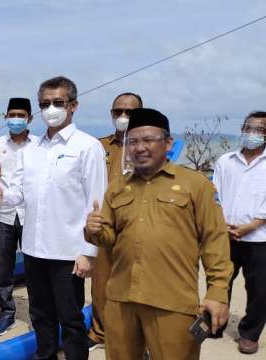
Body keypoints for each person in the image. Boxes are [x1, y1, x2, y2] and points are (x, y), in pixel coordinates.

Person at [85, 108, 232, 360]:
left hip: (172, 301)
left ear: (168, 143)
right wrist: (93, 231)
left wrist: (217, 292)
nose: (139, 148)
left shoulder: (196, 185)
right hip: (121, 298)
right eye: (133, 141)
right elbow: (108, 240)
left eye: (148, 140)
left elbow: (214, 241)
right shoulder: (118, 187)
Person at [0, 76, 107, 360]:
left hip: (68, 252)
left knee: (71, 319)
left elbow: (98, 203)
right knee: (40, 315)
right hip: (32, 248)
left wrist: (89, 252)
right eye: (45, 103)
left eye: (58, 102)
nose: (51, 109)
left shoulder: (87, 146)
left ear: (73, 106)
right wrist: (1, 196)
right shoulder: (32, 149)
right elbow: (21, 192)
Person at [89, 92, 143, 350]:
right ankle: (99, 333)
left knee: (138, 284)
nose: (123, 117)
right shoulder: (99, 146)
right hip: (104, 227)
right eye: (117, 112)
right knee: (101, 284)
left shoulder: (146, 148)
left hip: (138, 228)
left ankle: (136, 337)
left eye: (129, 112)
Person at [0, 97, 38, 336]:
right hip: (2, 215)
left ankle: (38, 314)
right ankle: (7, 313)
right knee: (4, 267)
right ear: (5, 118)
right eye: (12, 115)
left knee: (36, 266)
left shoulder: (39, 145)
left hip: (32, 214)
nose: (16, 119)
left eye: (21, 115)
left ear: (30, 118)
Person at [211, 111, 266, 354]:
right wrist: (222, 222)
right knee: (220, 282)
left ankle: (249, 334)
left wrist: (253, 224)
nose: (252, 133)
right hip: (225, 235)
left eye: (259, 129)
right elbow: (215, 194)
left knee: (259, 290)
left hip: (260, 238)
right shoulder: (226, 161)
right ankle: (215, 324)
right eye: (249, 127)